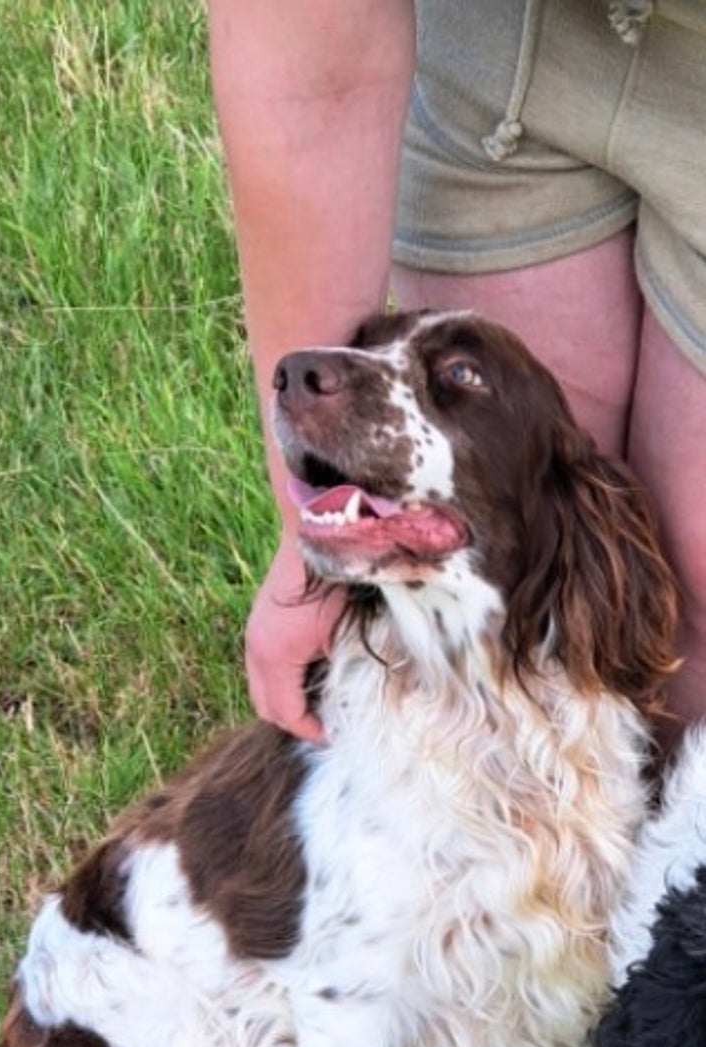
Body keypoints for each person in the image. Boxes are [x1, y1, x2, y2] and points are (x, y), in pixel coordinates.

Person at [208, 0, 706, 740]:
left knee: (690, 600)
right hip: (504, 68)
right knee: (516, 560)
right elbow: (310, 71)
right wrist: (319, 525)